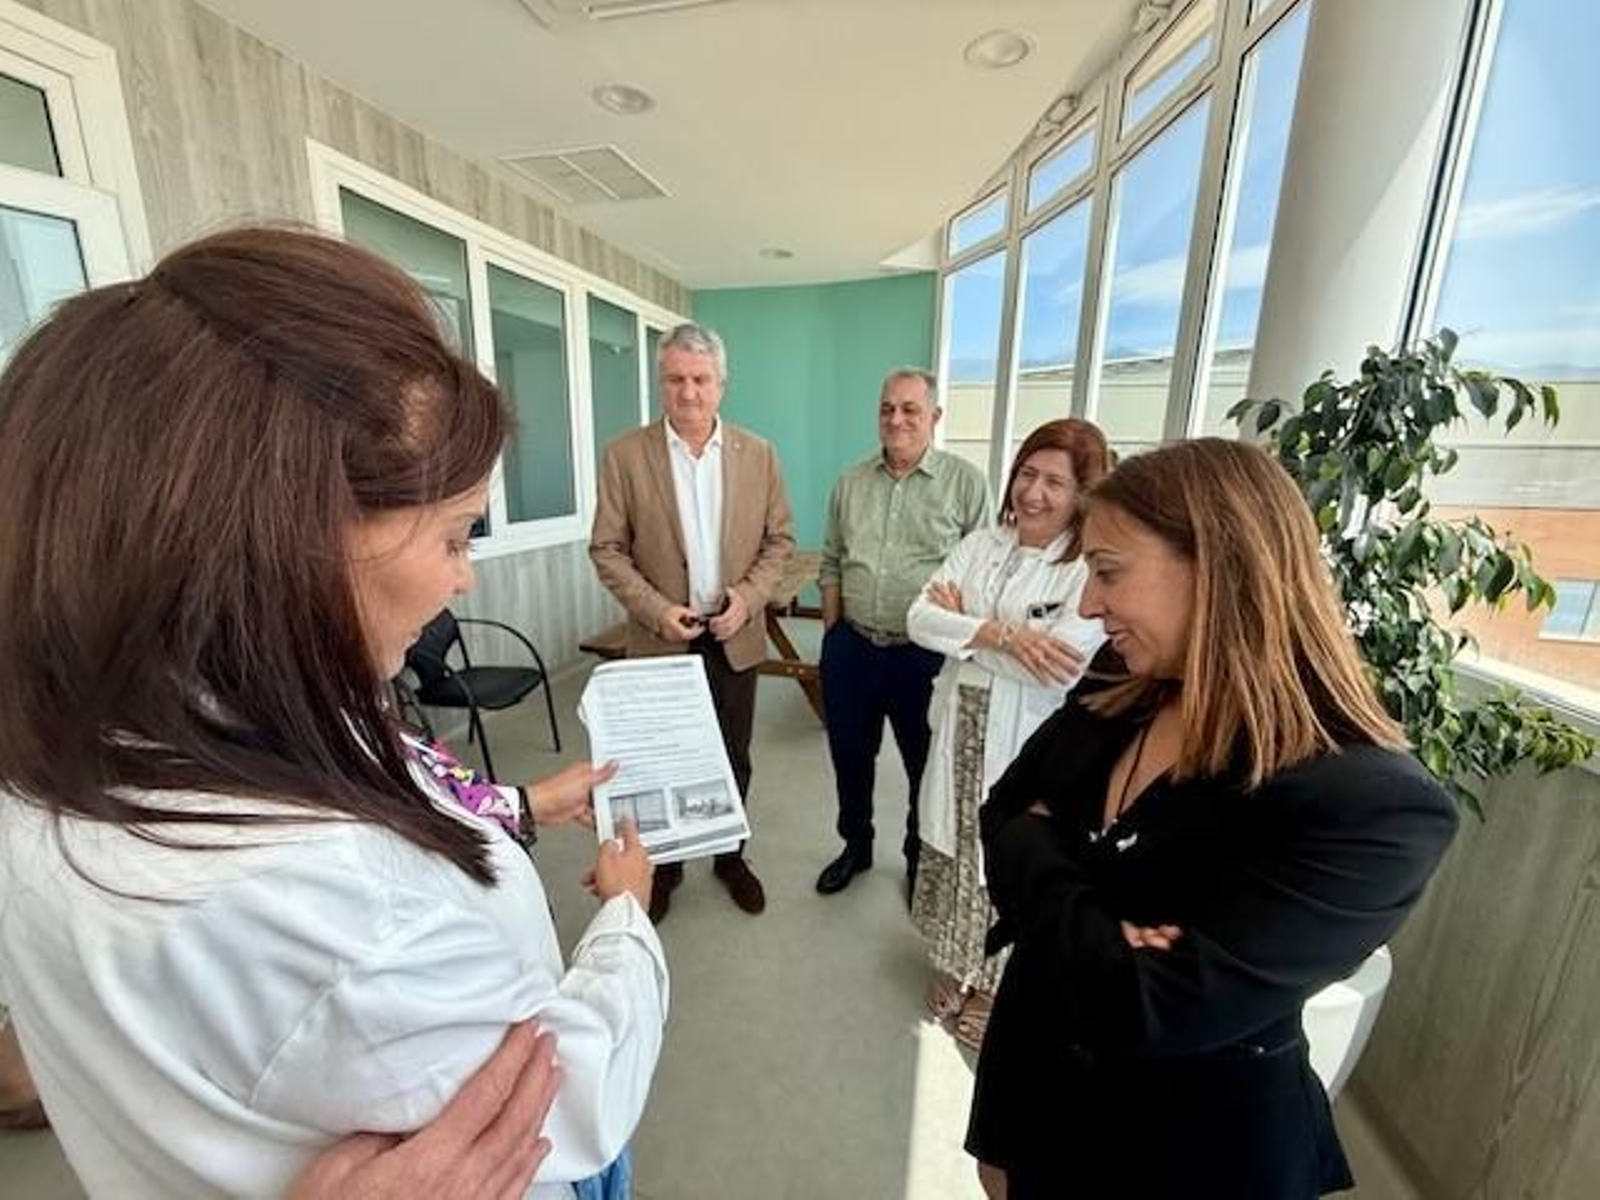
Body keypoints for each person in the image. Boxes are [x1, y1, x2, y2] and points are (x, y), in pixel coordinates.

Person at [0, 227, 668, 1199]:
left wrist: (519, 804)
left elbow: (386, 779)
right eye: (452, 533)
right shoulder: (346, 914)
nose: (462, 576)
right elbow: (566, 1105)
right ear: (290, 544)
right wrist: (623, 924)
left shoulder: (76, 758)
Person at [966, 438, 1460, 1199]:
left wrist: (1040, 850)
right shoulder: (1121, 678)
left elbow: (1144, 1009)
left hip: (1187, 1152)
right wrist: (1106, 931)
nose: (1089, 606)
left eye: (1107, 572)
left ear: (1219, 565)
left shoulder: (1374, 807)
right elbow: (1000, 810)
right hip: (1034, 1085)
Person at [904, 419, 1110, 1050]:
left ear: (1082, 493)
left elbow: (1066, 660)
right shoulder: (985, 542)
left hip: (1025, 738)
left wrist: (964, 625)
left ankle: (996, 987)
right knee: (957, 850)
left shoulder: (1083, 569)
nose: (1034, 492)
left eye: (1054, 481)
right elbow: (918, 618)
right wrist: (1003, 635)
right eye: (1027, 473)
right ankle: (955, 965)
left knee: (1012, 858)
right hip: (960, 725)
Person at [591, 322, 795, 923]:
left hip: (734, 632)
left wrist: (746, 598)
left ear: (721, 384)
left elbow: (779, 541)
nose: (688, 392)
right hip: (661, 639)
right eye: (676, 379)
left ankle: (731, 857)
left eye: (700, 380)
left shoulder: (758, 454)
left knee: (734, 756)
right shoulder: (625, 455)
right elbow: (607, 549)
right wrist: (656, 609)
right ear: (661, 382)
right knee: (660, 765)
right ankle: (665, 867)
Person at [815, 368, 991, 896]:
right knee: (850, 756)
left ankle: (917, 858)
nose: (896, 419)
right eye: (887, 408)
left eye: (910, 409)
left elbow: (979, 573)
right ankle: (856, 846)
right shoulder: (850, 481)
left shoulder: (965, 483)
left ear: (934, 417)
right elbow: (831, 562)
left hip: (924, 657)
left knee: (925, 765)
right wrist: (832, 638)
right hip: (852, 647)